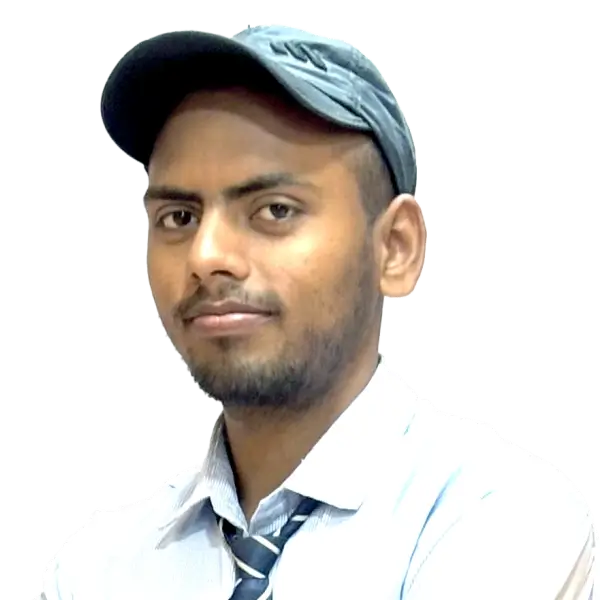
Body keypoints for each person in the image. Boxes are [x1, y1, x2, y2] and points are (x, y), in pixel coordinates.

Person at [41, 25, 595, 599]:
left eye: (274, 210)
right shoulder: (94, 569)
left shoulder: (501, 516)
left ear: (396, 247)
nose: (206, 256)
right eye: (179, 218)